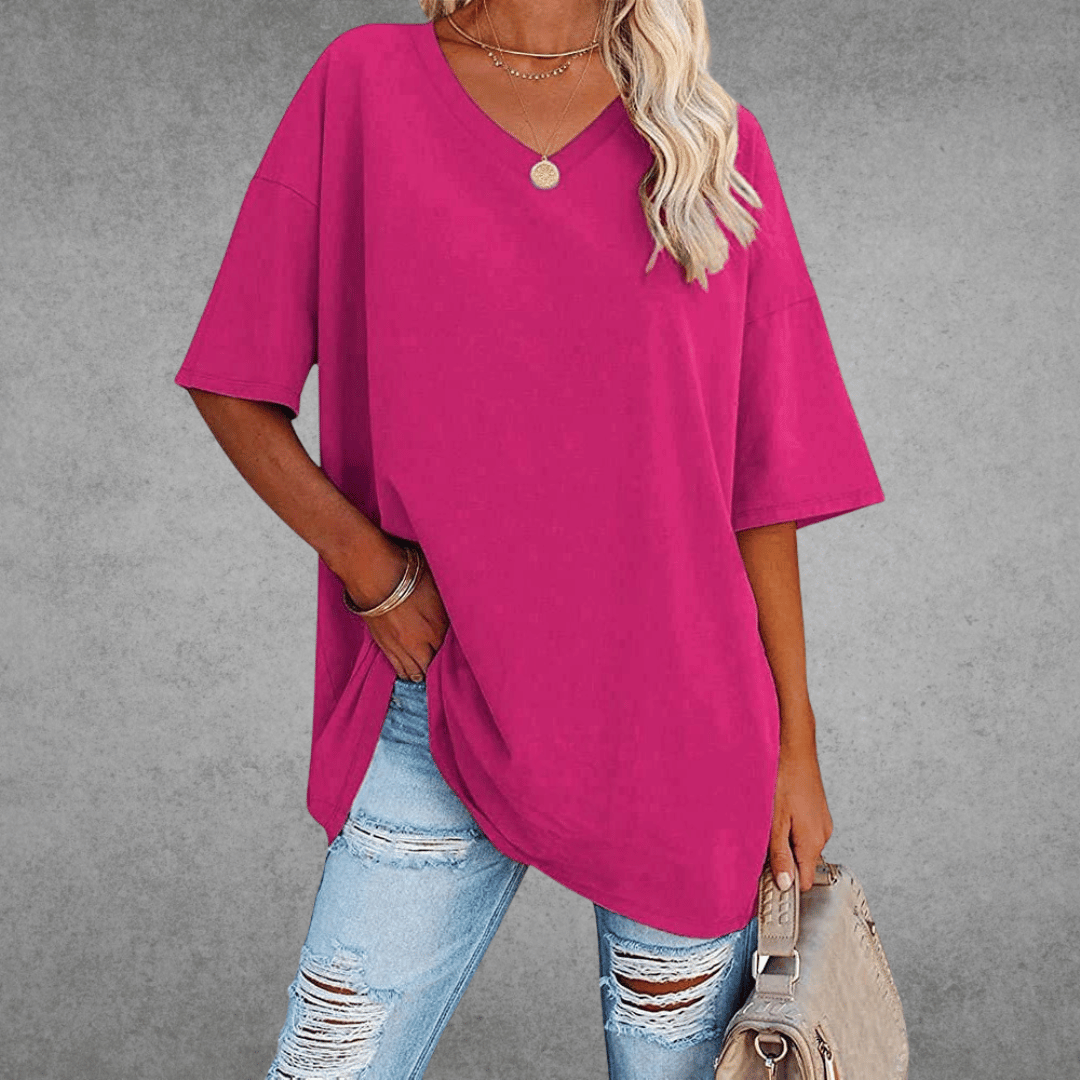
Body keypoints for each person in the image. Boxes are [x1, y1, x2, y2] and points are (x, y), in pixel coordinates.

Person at [174, 1, 885, 1077]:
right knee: (329, 1061)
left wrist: (798, 743)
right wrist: (372, 571)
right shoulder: (364, 86)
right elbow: (234, 376)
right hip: (439, 701)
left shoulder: (707, 139)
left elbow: (759, 488)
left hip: (684, 733)